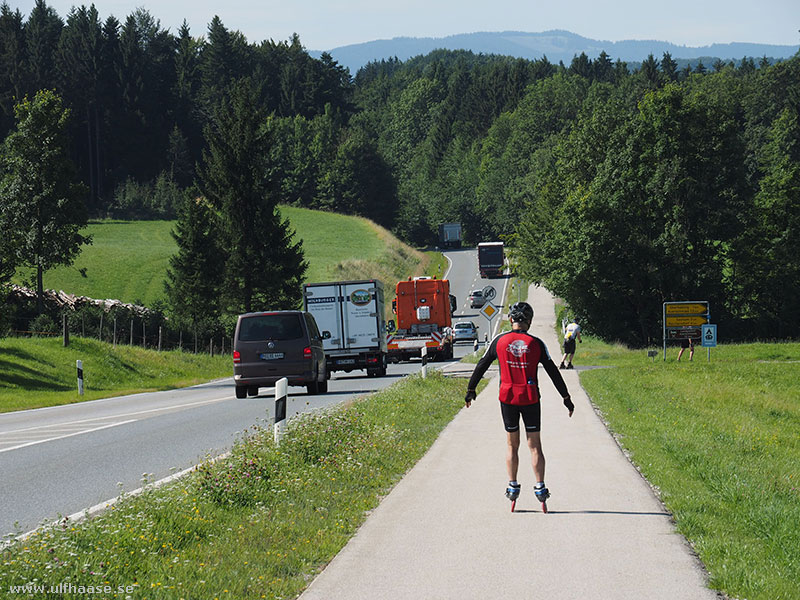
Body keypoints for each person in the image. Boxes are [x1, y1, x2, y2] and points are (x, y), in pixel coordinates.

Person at [464, 301, 574, 507]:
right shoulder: (537, 343)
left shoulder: (499, 341)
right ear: (530, 322)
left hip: (507, 399)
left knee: (512, 445)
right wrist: (566, 398)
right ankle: (540, 487)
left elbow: (482, 365)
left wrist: (471, 390)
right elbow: (553, 372)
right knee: (535, 446)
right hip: (530, 398)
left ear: (511, 319)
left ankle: (512, 486)